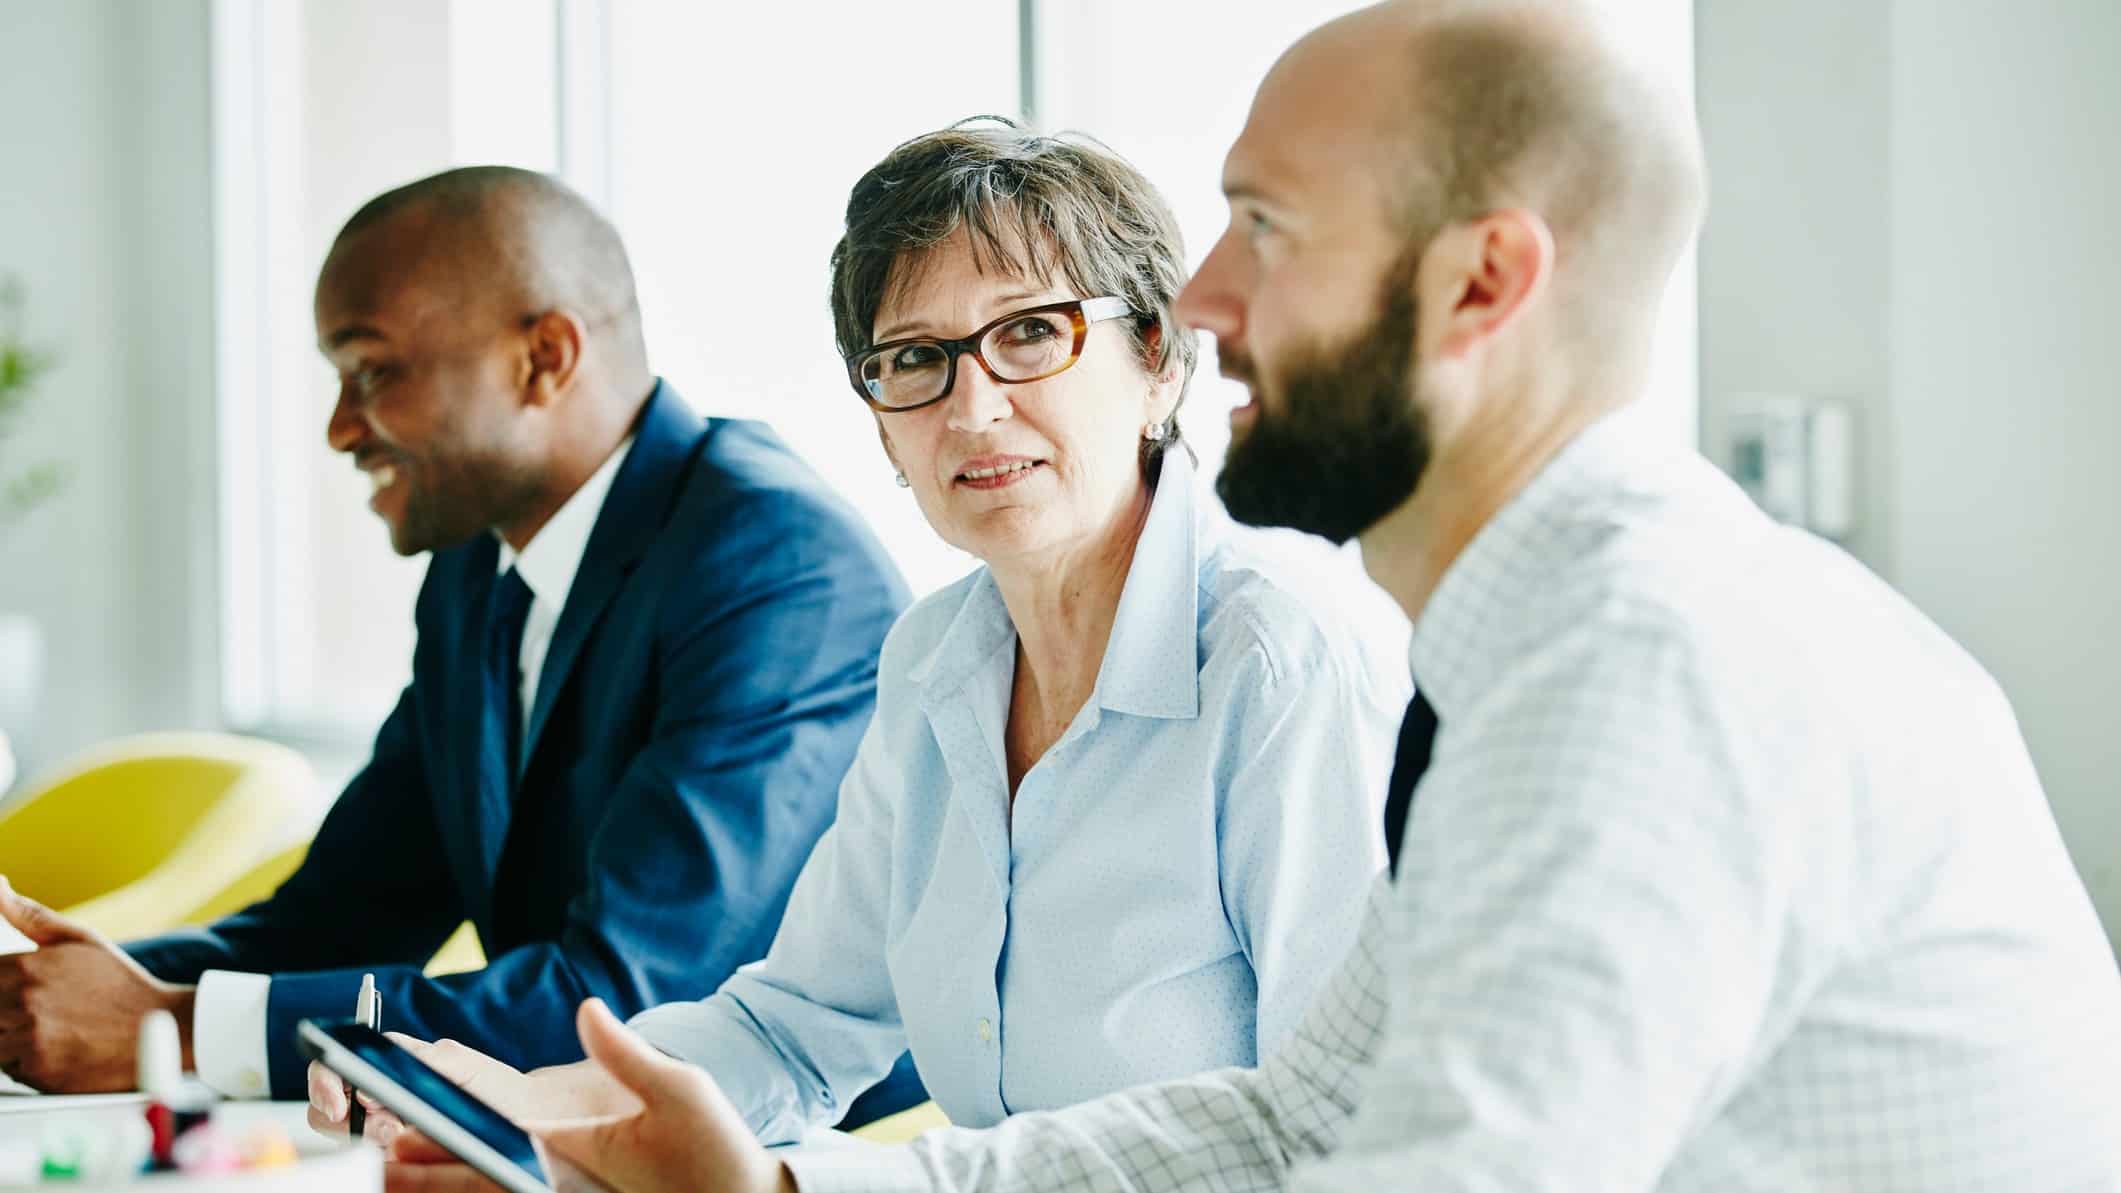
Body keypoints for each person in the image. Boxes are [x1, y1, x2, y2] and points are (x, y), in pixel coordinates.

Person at [381, 3, 2121, 1190]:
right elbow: (1300, 1107)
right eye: (917, 363)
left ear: (1480, 283)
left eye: (1263, 228)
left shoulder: (1640, 665)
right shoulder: (1531, 641)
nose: (1203, 301)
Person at [324, 118, 1407, 1156]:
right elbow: (794, 1025)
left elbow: (1355, 1121)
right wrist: (506, 1103)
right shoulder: (938, 657)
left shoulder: (1285, 654)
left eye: (1031, 331)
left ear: (1159, 357)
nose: (971, 408)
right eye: (915, 357)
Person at [0, 166, 910, 1105]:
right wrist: (49, 996)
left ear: (545, 358)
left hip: (809, 1144)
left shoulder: (778, 564)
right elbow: (338, 919)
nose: (340, 428)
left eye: (374, 370)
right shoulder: (476, 567)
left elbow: (626, 1005)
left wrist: (178, 1030)